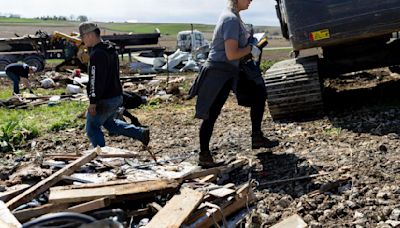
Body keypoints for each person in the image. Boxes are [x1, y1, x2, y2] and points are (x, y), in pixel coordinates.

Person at [189, 0, 278, 167]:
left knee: (259, 93)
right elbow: (231, 54)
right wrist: (252, 48)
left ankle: (257, 137)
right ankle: (204, 155)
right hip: (218, 72)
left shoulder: (236, 17)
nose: (251, 0)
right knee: (211, 113)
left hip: (232, 71)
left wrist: (253, 44)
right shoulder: (230, 19)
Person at [79, 22, 149, 148]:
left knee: (92, 128)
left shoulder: (97, 54)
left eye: (82, 37)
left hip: (104, 99)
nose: (82, 40)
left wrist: (93, 101)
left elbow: (96, 79)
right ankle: (140, 133)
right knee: (110, 124)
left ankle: (101, 155)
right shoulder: (110, 49)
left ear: (89, 35)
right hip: (116, 96)